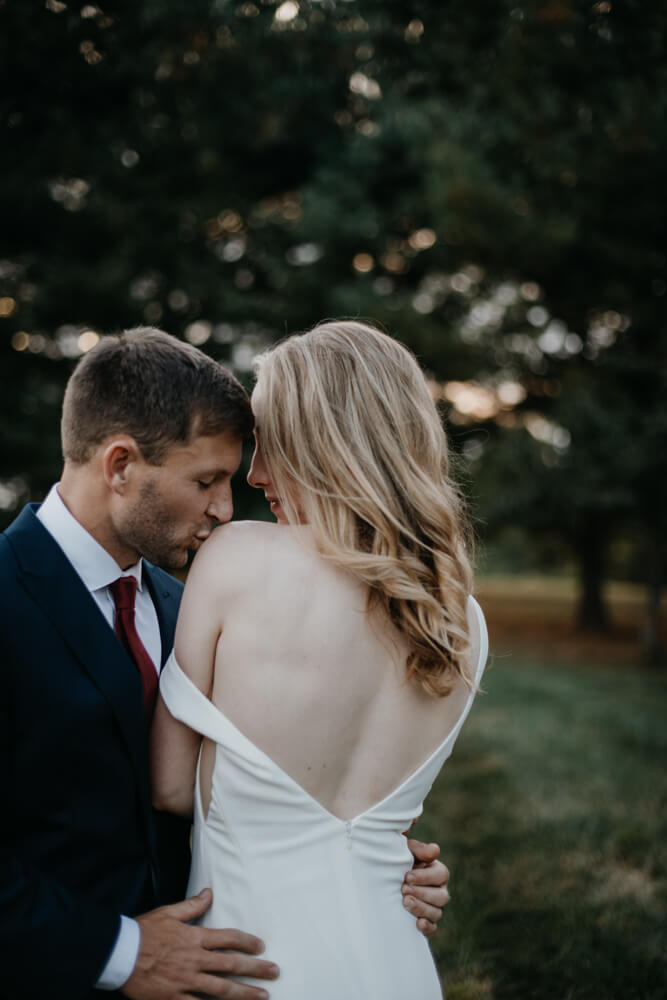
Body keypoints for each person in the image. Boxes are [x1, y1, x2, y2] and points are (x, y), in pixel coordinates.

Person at [0, 326, 449, 1000]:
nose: (223, 507)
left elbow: (255, 785)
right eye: (206, 480)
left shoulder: (198, 604)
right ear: (120, 466)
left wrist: (381, 858)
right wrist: (122, 953)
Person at [152, 320, 488, 999]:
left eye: (271, 445)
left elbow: (167, 788)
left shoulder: (237, 560)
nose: (254, 475)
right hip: (397, 967)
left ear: (329, 444)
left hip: (247, 969)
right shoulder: (460, 618)